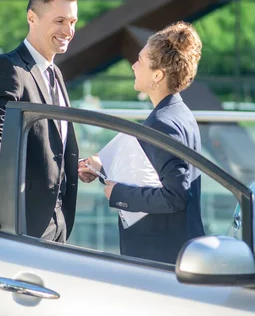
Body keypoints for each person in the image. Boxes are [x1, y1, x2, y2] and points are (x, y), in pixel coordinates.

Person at [79, 21, 205, 264]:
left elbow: (175, 196)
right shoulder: (179, 113)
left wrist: (118, 192)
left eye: (140, 60)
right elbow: (152, 167)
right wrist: (101, 165)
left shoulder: (163, 123)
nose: (134, 66)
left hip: (161, 255)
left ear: (158, 75)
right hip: (174, 248)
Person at [0, 0, 80, 243]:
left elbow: (50, 143)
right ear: (32, 18)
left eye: (73, 22)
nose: (68, 30)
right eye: (59, 21)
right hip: (20, 219)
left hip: (58, 222)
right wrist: (0, 195)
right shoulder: (8, 68)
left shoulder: (55, 73)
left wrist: (75, 167)